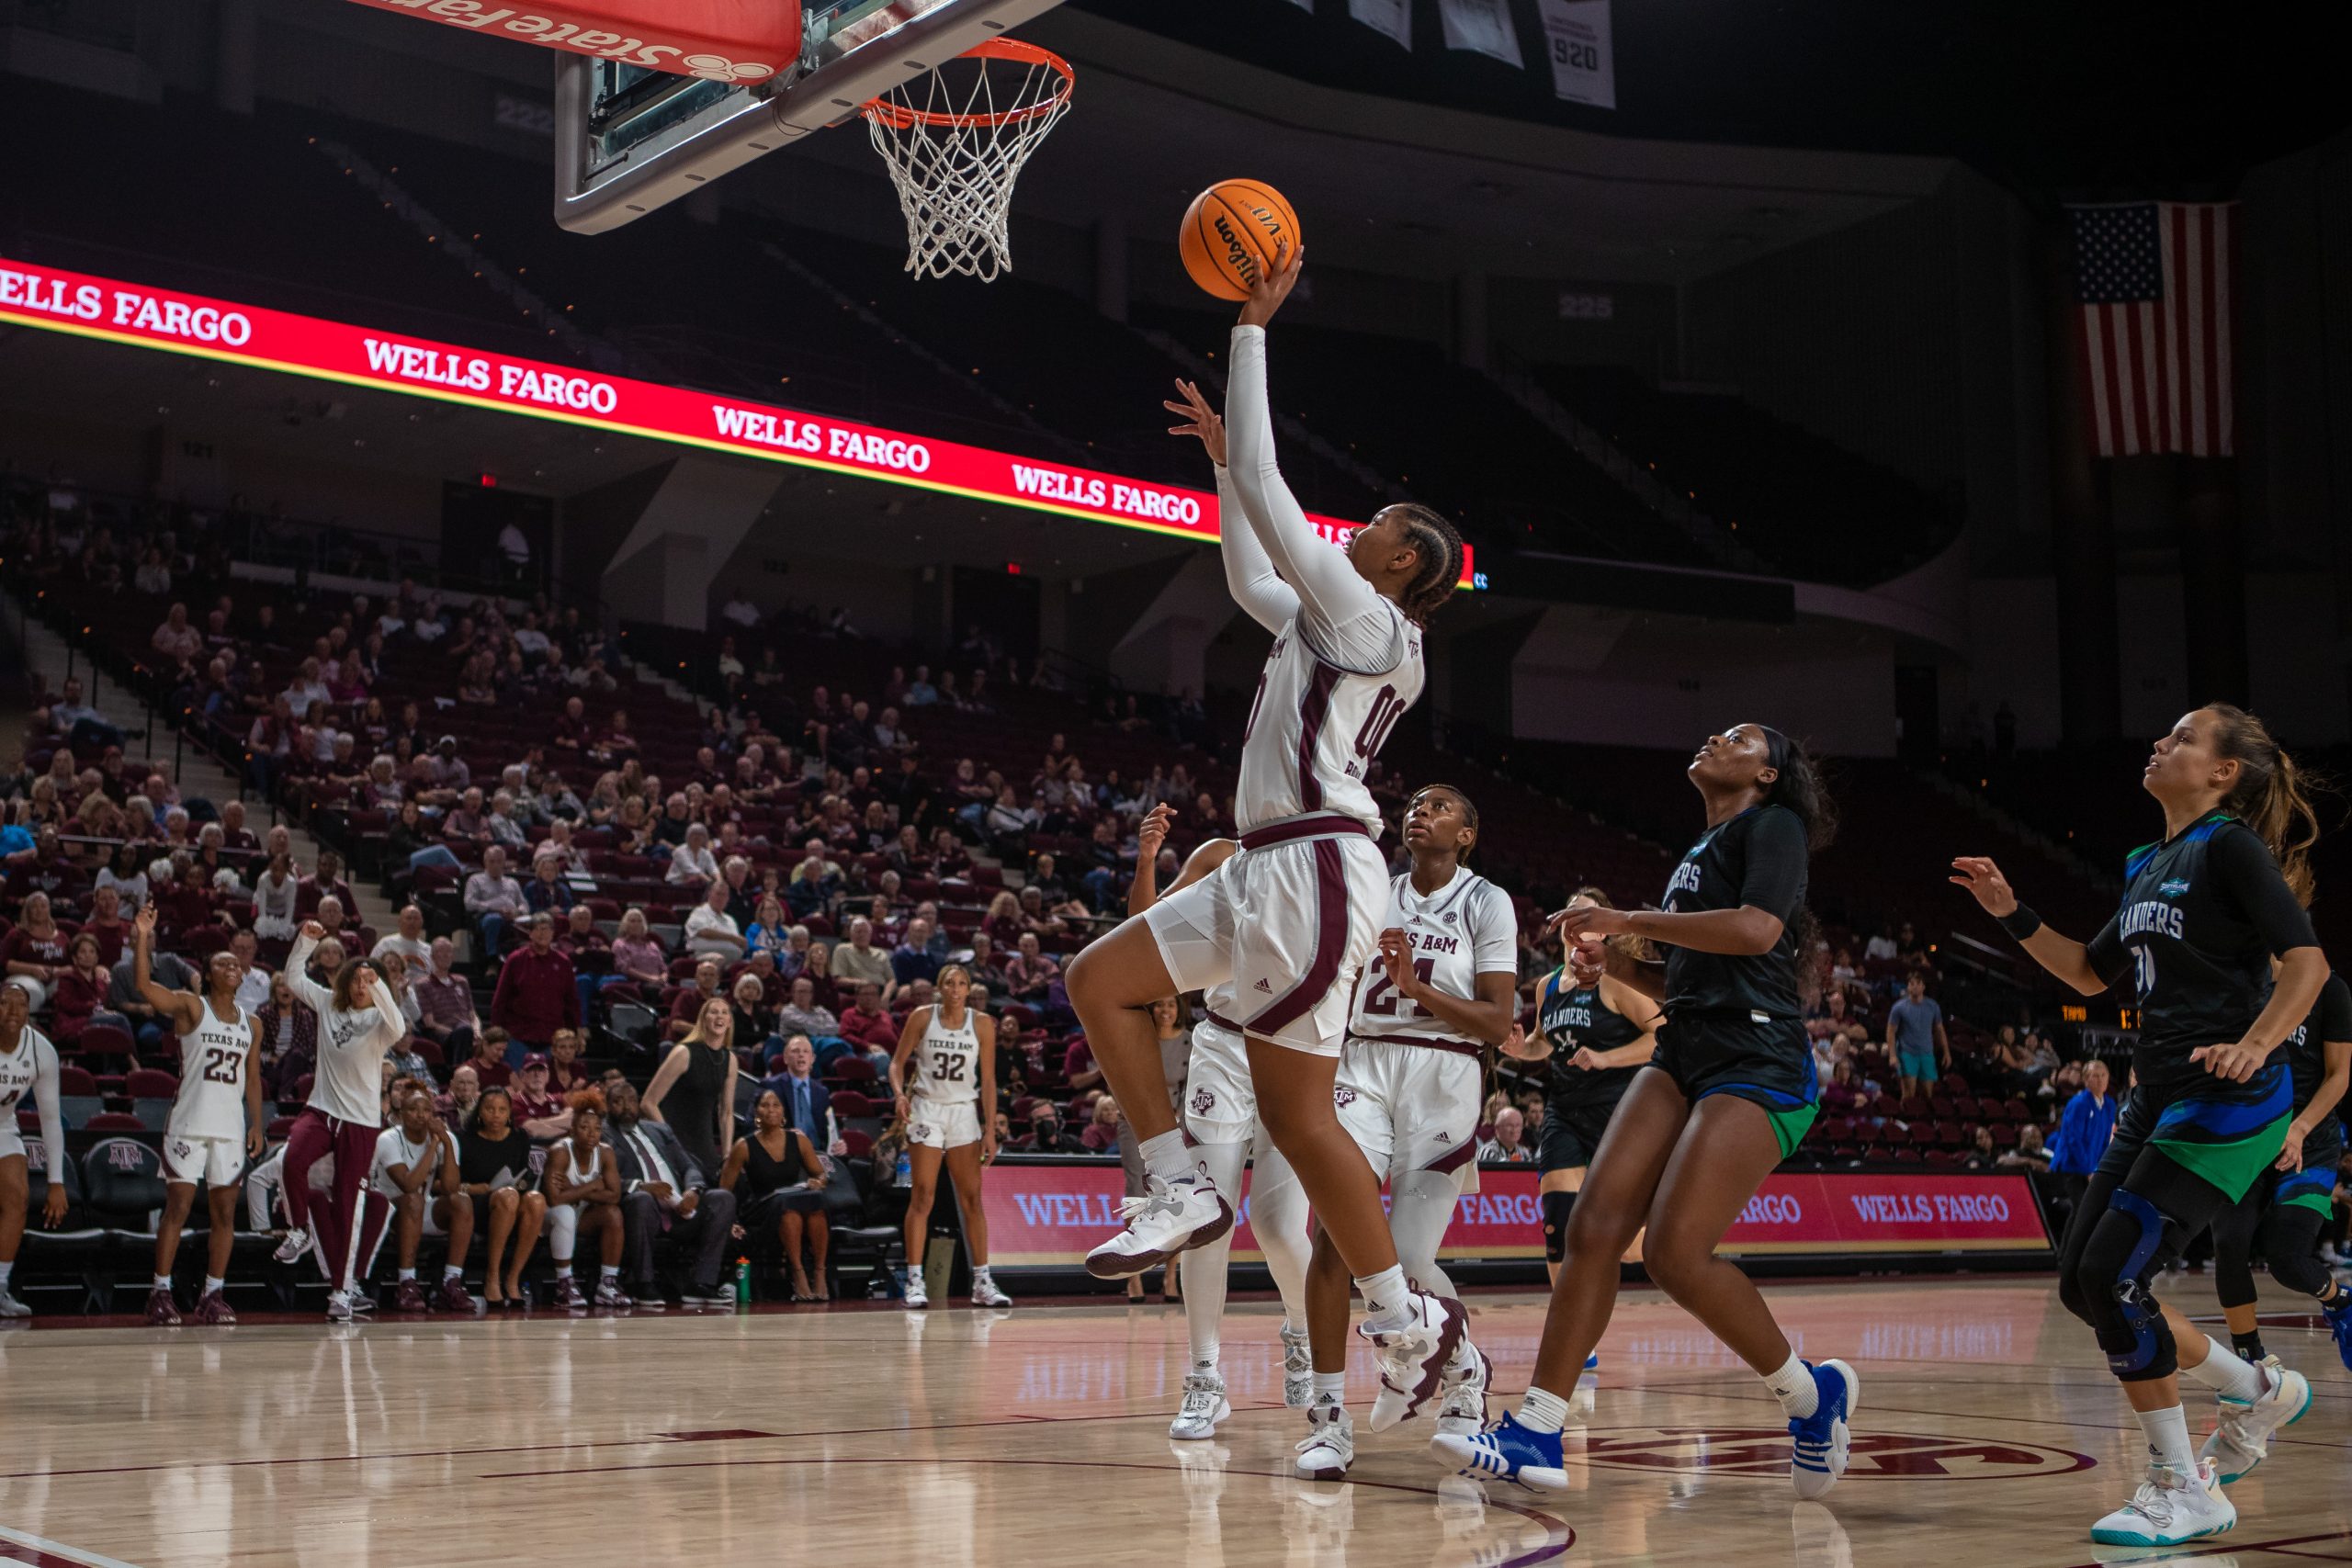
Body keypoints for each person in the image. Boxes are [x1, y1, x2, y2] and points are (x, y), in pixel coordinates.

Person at [1070, 243, 1470, 1437]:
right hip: (1265, 865)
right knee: (1100, 977)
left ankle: (1406, 1329)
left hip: (1315, 869)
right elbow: (1254, 560)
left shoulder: (1375, 614)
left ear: (1407, 561)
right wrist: (1220, 468)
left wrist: (1249, 329)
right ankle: (1188, 1187)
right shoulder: (1327, 617)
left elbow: (1279, 496)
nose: (1366, 526)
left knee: (1299, 1120)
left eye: (1385, 521)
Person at [1439, 723, 1860, 1502]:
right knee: (1591, 1228)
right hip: (1686, 1050)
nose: (1713, 736)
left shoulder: (1776, 826)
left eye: (1738, 736)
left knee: (1671, 1252)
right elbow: (1688, 984)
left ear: (1767, 773)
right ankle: (1536, 1426)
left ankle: (1810, 1396)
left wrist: (1631, 921)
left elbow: (1757, 930)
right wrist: (1614, 957)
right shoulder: (1697, 854)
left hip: (1757, 1059)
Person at [1952, 704, 2325, 1545]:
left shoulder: (2230, 845)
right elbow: (2089, 972)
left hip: (2227, 1095)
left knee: (2116, 1277)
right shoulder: (2147, 861)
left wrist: (2257, 1042)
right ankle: (2259, 1390)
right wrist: (2011, 910)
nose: (2163, 742)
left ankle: (2183, 1486)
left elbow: (2308, 961)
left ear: (2224, 772)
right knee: (2083, 1286)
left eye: (2185, 737)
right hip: (2154, 1093)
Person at [1296, 784, 1518, 1470]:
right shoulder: (1373, 888)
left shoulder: (1487, 901)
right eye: (1415, 803)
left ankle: (1464, 1365)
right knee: (1331, 1238)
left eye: (1441, 805)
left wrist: (1418, 988)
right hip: (1363, 1060)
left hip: (1445, 1075)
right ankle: (1329, 1416)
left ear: (1468, 833)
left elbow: (1498, 1022)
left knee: (1409, 1262)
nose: (1420, 811)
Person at [1508, 886, 1665, 1288]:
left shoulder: (1617, 981)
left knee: (1630, 1248)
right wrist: (1521, 1048)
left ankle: (1684, 1249)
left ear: (1604, 932)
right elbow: (1545, 1041)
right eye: (1571, 910)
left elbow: (1663, 1036)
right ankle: (1576, 1347)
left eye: (1588, 914)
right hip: (1565, 1111)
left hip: (1618, 1114)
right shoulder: (1547, 986)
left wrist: (1605, 1057)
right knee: (1558, 1228)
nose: (1577, 917)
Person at [2203, 969, 2351, 1371]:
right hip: (2246, 1136)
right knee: (2230, 1242)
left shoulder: (2328, 988)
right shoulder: (2235, 981)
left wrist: (2299, 1129)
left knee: (2286, 1259)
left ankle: (2342, 1301)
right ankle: (2250, 1362)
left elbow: (2339, 1076)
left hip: (2310, 1139)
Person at [131, 908, 265, 1325]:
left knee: (225, 1214)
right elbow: (142, 986)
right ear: (208, 974)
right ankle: (160, 1291)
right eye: (223, 962)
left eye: (236, 963)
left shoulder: (253, 1024)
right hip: (189, 1122)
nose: (233, 966)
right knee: (179, 1208)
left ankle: (213, 1294)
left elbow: (254, 1078)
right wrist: (141, 937)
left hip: (229, 1127)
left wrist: (257, 1123)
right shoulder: (191, 1007)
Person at [275, 920, 408, 1322]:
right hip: (321, 1110)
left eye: (369, 981)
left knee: (350, 1204)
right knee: (291, 1160)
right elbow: (294, 977)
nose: (361, 986)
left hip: (361, 1123)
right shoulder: (328, 1006)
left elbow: (400, 1026)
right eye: (357, 979)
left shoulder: (381, 1025)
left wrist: (379, 983)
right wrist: (307, 941)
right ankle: (298, 1230)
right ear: (346, 982)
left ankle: (340, 1293)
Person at [887, 964, 1010, 1309]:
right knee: (923, 1196)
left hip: (962, 1112)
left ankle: (982, 1281)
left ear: (969, 989)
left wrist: (989, 1130)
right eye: (949, 983)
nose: (955, 989)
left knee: (972, 1199)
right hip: (926, 1109)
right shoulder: (923, 1017)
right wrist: (899, 1094)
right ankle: (914, 1279)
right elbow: (896, 1063)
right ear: (940, 988)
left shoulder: (983, 1024)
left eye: (961, 983)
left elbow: (987, 1081)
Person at [607, 1079, 738, 1307]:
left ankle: (702, 1284)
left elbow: (689, 1166)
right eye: (618, 1102)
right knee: (641, 1200)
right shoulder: (601, 1134)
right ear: (608, 1106)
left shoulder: (659, 1129)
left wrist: (693, 1191)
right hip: (643, 1210)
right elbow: (601, 1178)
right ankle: (644, 1283)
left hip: (680, 1208)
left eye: (631, 1101)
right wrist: (640, 1185)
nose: (626, 1108)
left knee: (723, 1199)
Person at [719, 1089, 832, 1303]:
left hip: (795, 1200)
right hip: (763, 1209)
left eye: (776, 1105)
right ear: (756, 1114)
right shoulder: (743, 1146)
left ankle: (819, 1273)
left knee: (814, 1204)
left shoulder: (799, 1140)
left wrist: (818, 1182)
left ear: (784, 1113)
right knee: (789, 1213)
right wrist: (731, 1221)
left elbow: (819, 1173)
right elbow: (724, 1190)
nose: (771, 1109)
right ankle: (798, 1275)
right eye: (764, 1105)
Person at [370, 1086, 476, 1313]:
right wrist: (434, 1146)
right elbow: (408, 1185)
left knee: (462, 1201)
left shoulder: (447, 1140)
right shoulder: (388, 1139)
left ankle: (451, 1283)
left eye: (427, 1110)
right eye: (413, 1109)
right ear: (400, 1115)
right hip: (385, 1211)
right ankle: (406, 1284)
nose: (421, 1115)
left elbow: (449, 1188)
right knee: (413, 1199)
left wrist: (446, 1144)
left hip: (418, 1209)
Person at [0, 983, 66, 1317]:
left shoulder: (41, 1050)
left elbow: (50, 1120)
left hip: (3, 1126)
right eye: (4, 1003)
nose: (13, 1011)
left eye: (20, 1005)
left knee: (18, 1196)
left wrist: (56, 1182)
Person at [540, 1089, 629, 1310]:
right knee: (565, 1212)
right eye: (584, 1127)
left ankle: (607, 1284)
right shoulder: (560, 1151)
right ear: (572, 1130)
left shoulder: (606, 1152)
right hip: (548, 1218)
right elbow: (554, 1199)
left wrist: (577, 1190)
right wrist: (592, 1185)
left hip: (582, 1214)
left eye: (597, 1129)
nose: (592, 1134)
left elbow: (614, 1196)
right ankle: (564, 1284)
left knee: (613, 1214)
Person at [457, 1085, 543, 1308]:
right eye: (490, 1109)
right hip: (476, 1205)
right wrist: (477, 1188)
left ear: (509, 1114)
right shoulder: (464, 1139)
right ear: (479, 1111)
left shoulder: (519, 1137)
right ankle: (492, 1276)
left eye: (502, 1110)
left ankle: (513, 1277)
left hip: (511, 1200)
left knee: (536, 1200)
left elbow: (525, 1174)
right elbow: (447, 1183)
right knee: (508, 1197)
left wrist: (522, 1183)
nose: (496, 1115)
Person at [643, 998, 741, 1179]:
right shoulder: (684, 1052)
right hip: (673, 1136)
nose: (719, 1016)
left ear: (729, 1022)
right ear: (703, 1020)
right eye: (713, 1012)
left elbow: (726, 1111)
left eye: (724, 1012)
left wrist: (727, 1155)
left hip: (703, 1141)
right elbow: (648, 1102)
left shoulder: (730, 1060)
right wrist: (671, 1143)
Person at [2050, 1059, 2120, 1211]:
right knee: (2082, 1210)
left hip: (2090, 1167)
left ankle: (2072, 1236)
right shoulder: (2079, 1103)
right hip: (2071, 1166)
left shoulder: (2109, 1104)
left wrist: (2098, 1168)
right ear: (2086, 1079)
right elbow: (2074, 1140)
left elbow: (2105, 1140)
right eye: (2095, 1076)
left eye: (2103, 1075)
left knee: (2083, 1212)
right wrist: (2088, 1169)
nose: (2100, 1079)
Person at [1887, 973, 1950, 1100]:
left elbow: (1940, 1030)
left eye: (1918, 984)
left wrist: (1946, 1052)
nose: (1915, 987)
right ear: (1908, 987)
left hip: (1927, 1053)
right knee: (1908, 1094)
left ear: (1923, 987)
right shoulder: (1899, 1007)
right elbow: (1891, 1031)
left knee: (1927, 1095)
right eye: (1912, 984)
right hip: (1907, 1053)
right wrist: (1893, 1055)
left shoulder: (1933, 1006)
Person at [762, 1035, 833, 1145]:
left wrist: (837, 1144)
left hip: (816, 1155)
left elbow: (828, 1130)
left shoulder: (822, 1092)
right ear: (785, 1058)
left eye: (806, 1051)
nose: (801, 1055)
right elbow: (753, 1125)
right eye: (795, 1051)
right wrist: (784, 1135)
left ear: (812, 1059)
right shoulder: (771, 1086)